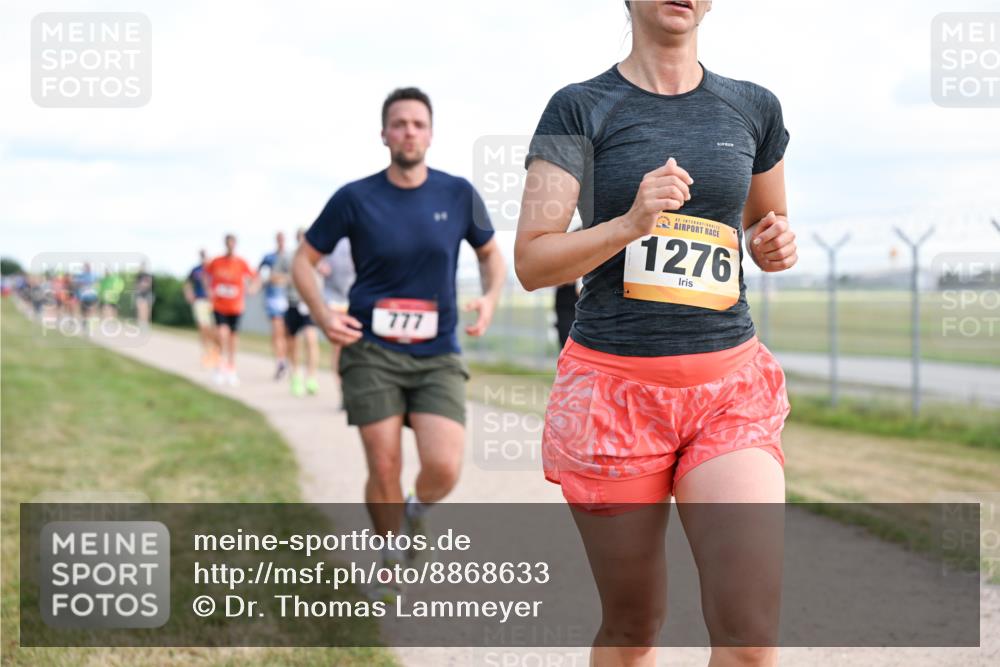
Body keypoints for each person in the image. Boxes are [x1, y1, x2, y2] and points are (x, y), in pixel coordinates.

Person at [514, 2, 798, 665]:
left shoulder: (754, 107)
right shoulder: (578, 108)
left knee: (750, 636)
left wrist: (774, 243)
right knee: (634, 628)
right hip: (615, 397)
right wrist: (627, 223)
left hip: (728, 393)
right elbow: (531, 260)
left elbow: (765, 228)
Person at [293, 86, 506, 599]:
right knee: (383, 461)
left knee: (444, 465)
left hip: (436, 354)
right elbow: (304, 261)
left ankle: (413, 511)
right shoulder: (354, 197)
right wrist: (323, 316)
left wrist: (492, 298)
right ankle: (388, 553)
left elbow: (491, 255)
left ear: (430, 134)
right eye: (399, 123)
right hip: (372, 352)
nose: (408, 131)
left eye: (417, 123)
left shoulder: (457, 194)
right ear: (384, 134)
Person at [205, 234, 259, 386]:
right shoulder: (216, 261)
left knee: (233, 338)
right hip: (219, 304)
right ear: (225, 244)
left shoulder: (241, 263)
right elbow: (205, 275)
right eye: (228, 243)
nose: (230, 246)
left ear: (235, 245)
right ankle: (219, 367)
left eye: (232, 243)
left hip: (235, 306)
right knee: (222, 333)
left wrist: (253, 288)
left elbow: (255, 277)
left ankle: (231, 368)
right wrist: (208, 289)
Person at [316, 237, 356, 401]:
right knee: (339, 346)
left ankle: (352, 387)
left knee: (355, 347)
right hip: (334, 300)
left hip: (355, 299)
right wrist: (320, 267)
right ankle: (342, 390)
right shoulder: (332, 238)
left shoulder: (362, 235)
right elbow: (312, 260)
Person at [285, 228, 322, 396]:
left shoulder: (318, 257)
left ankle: (311, 377)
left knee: (311, 339)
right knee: (293, 343)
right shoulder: (289, 257)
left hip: (309, 305)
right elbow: (276, 275)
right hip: (293, 303)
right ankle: (295, 375)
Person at [259, 232, 292, 379]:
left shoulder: (291, 257)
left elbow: (292, 277)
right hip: (273, 299)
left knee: (287, 335)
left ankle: (286, 360)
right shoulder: (268, 258)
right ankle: (280, 362)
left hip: (289, 299)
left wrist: (280, 278)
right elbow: (261, 276)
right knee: (276, 332)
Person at [184, 249, 218, 368]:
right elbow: (187, 283)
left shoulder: (213, 269)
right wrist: (189, 294)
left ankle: (214, 351)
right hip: (199, 301)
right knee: (202, 327)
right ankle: (205, 354)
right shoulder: (195, 270)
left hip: (212, 302)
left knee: (213, 329)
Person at [134, 263, 154, 328]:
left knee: (146, 309)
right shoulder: (138, 276)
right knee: (140, 308)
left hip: (146, 294)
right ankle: (140, 323)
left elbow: (149, 284)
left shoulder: (147, 275)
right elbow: (136, 285)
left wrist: (144, 286)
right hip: (140, 294)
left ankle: (144, 323)